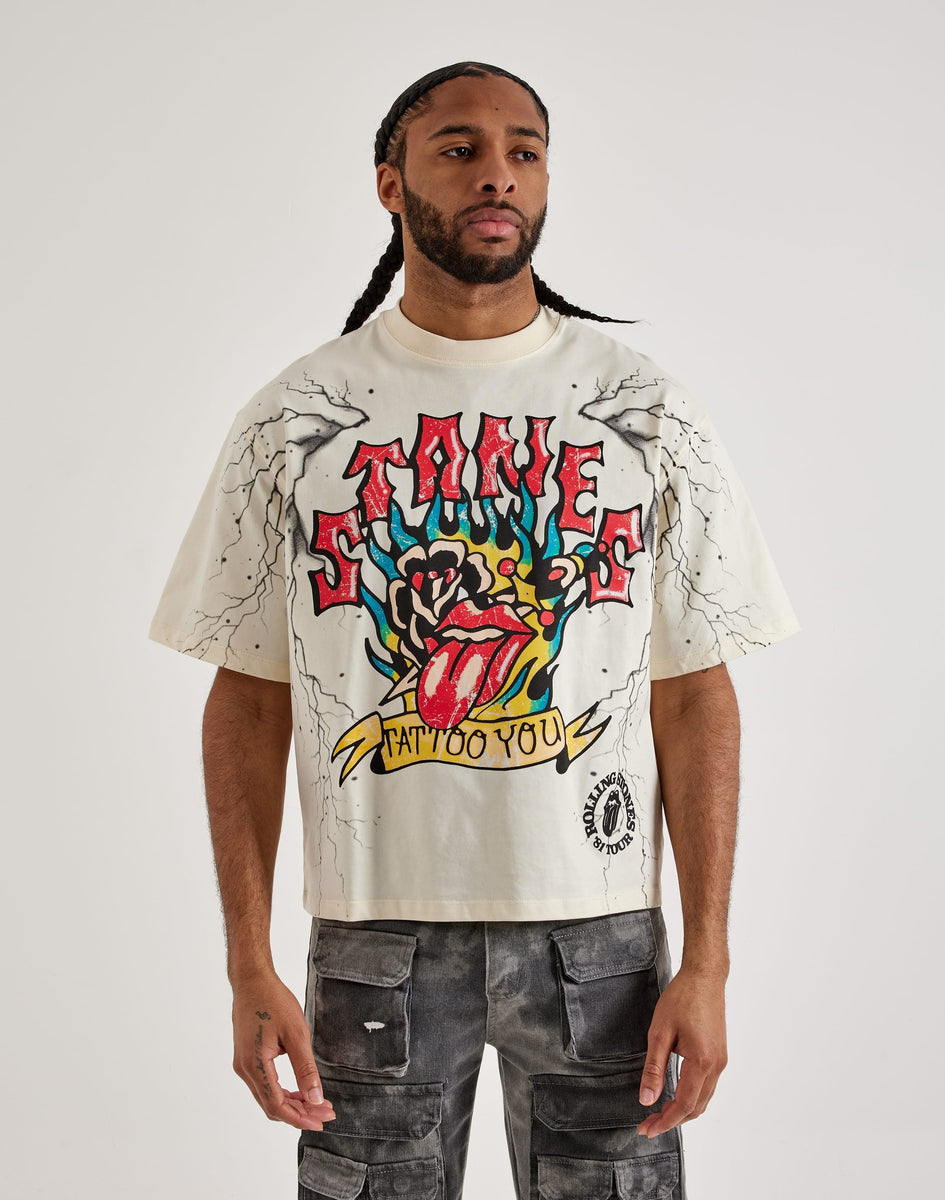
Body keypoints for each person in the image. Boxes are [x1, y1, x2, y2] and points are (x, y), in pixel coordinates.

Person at [149, 61, 800, 1200]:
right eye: (458, 147)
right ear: (389, 183)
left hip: (600, 937)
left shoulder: (644, 412)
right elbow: (248, 700)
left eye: (523, 150)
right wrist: (247, 962)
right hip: (376, 937)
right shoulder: (296, 420)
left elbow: (695, 690)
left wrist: (709, 959)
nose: (497, 172)